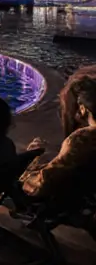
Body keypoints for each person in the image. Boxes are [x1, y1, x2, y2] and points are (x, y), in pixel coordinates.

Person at [20, 67, 96, 200]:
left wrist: (34, 162)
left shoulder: (83, 139)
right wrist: (56, 152)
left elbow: (38, 186)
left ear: (83, 109)